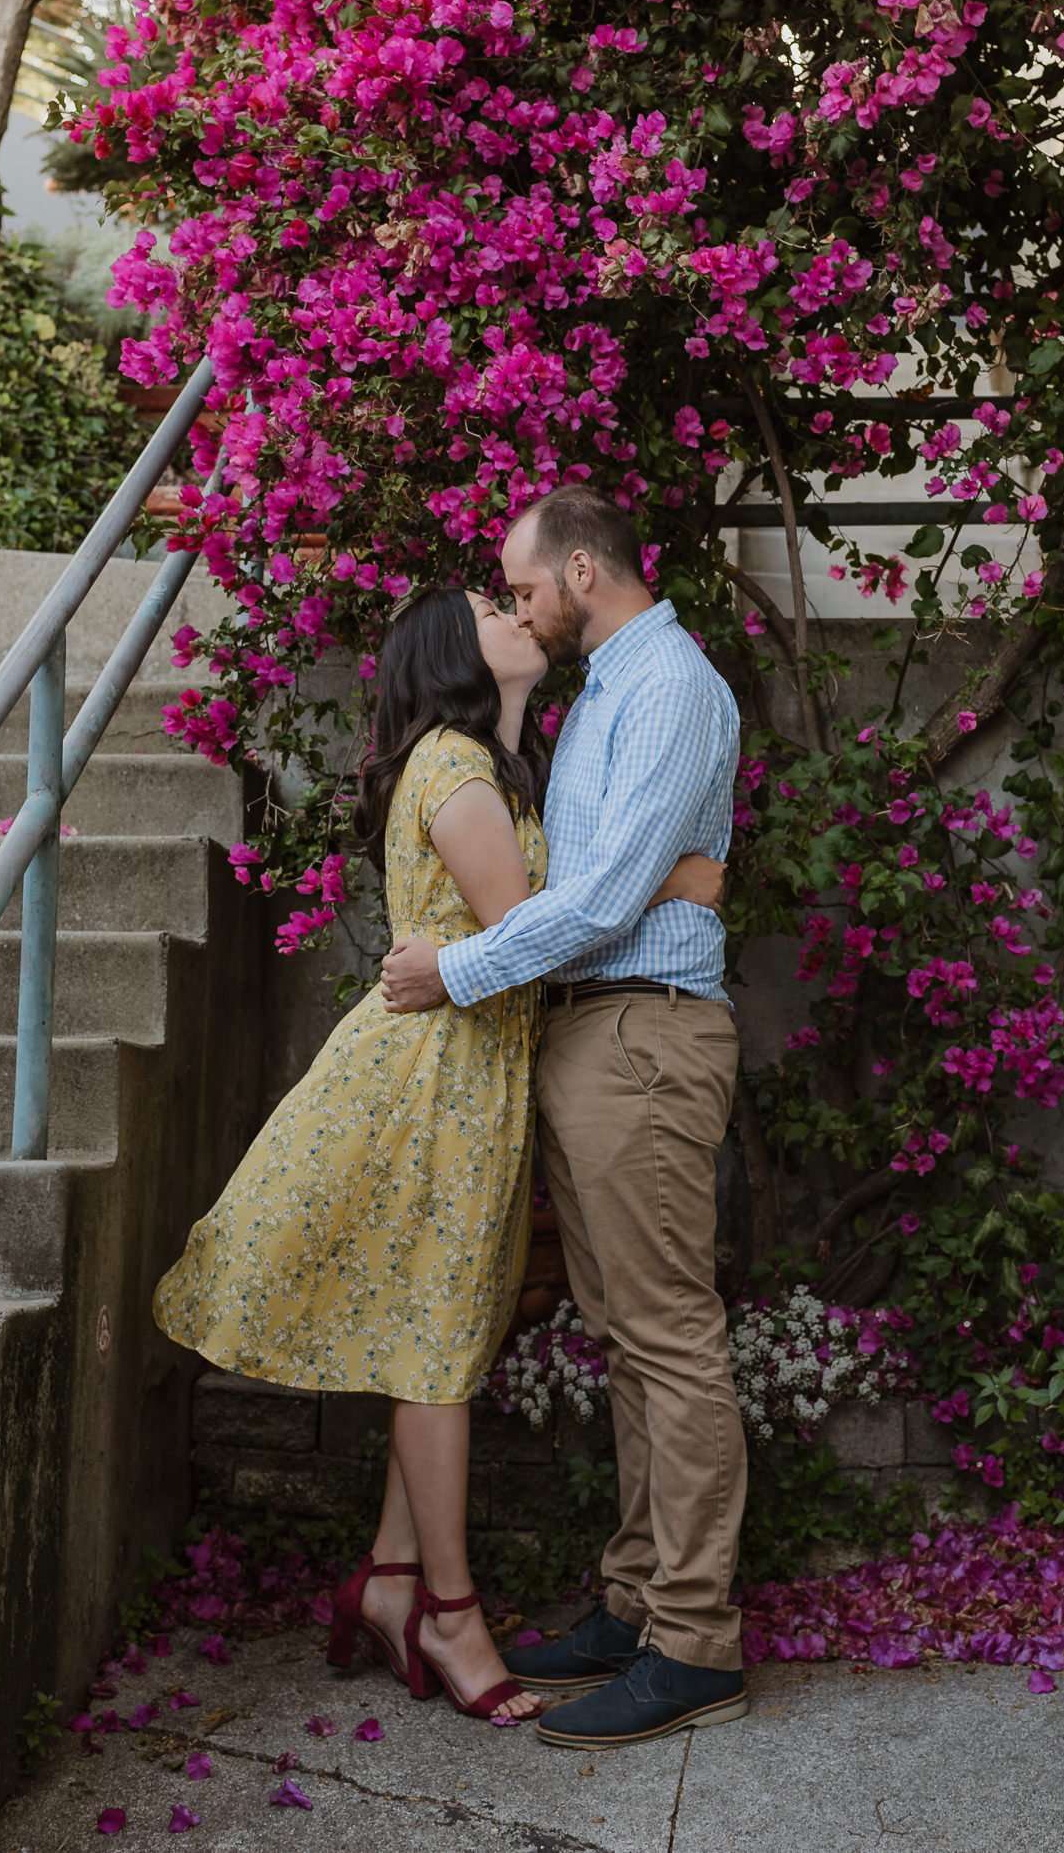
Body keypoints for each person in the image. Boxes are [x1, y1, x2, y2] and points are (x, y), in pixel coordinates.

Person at [151, 583, 720, 1726]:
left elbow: (546, 910)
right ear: (451, 656)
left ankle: (391, 1579)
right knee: (435, 1340)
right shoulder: (457, 768)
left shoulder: (495, 766)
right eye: (491, 610)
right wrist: (672, 879)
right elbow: (531, 933)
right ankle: (450, 1610)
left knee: (443, 1321)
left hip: (468, 1075)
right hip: (432, 1081)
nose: (518, 616)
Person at [381, 490, 748, 1750]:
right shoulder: (604, 692)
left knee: (667, 1334)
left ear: (580, 571)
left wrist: (456, 969)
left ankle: (693, 1637)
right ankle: (635, 1600)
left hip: (643, 1028)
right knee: (625, 1333)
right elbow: (603, 881)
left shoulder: (669, 688)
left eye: (522, 585)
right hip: (597, 1026)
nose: (518, 604)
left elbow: (593, 897)